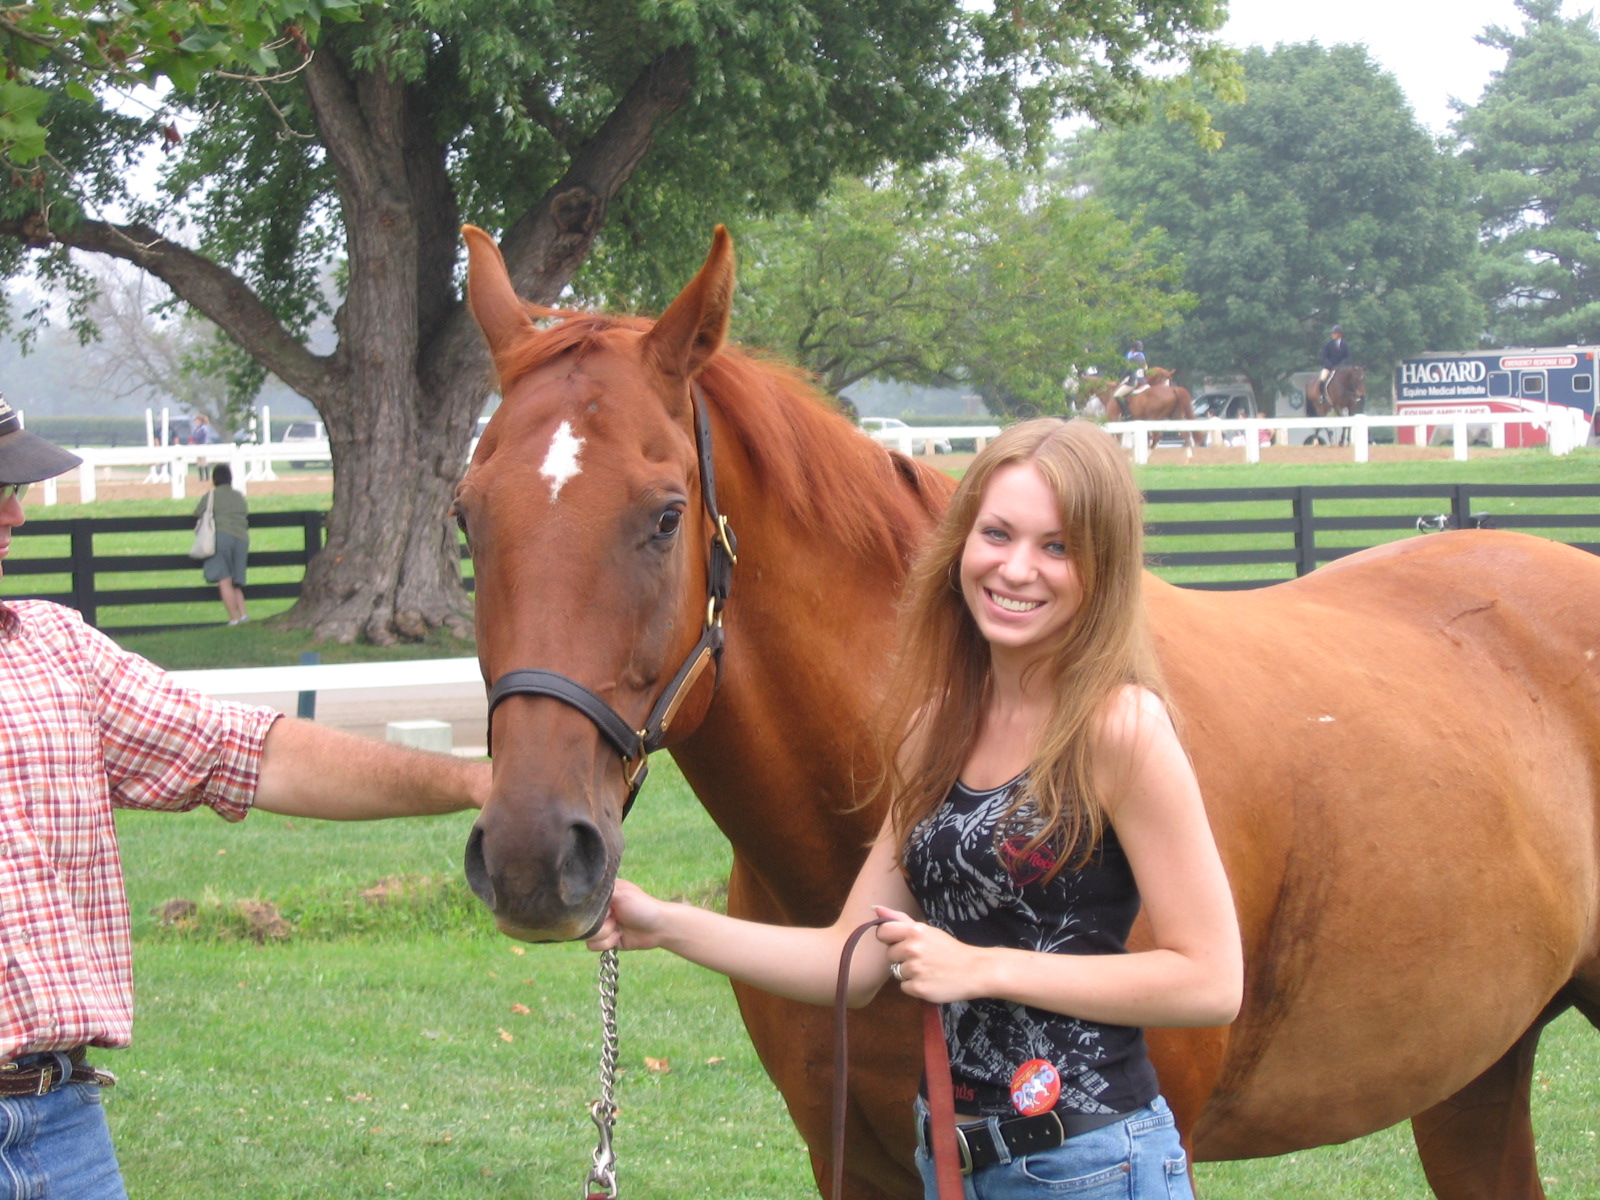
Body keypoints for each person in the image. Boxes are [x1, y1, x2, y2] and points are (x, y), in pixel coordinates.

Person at [587, 418, 1243, 1199]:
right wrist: (662, 923)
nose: (1018, 568)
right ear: (961, 544)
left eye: (1057, 546)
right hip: (953, 1165)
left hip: (1090, 1164)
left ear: (1101, 570)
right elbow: (856, 960)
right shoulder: (938, 726)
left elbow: (1209, 980)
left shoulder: (1119, 727)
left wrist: (983, 968)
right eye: (997, 534)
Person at [0, 398, 490, 1200]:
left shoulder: (56, 653)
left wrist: (476, 782)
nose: (17, 511)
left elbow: (249, 751)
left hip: (60, 1128)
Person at [196, 463, 250, 625]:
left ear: (214, 479)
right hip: (241, 539)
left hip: (220, 538)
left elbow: (197, 512)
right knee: (236, 580)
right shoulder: (239, 496)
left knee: (224, 579)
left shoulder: (211, 496)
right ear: (230, 478)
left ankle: (233, 618)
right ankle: (243, 615)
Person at [1110, 341, 1147, 419]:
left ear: (1133, 349)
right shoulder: (1143, 359)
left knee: (1117, 395)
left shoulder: (1132, 359)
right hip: (1142, 381)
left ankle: (1127, 413)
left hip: (1134, 381)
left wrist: (1119, 379)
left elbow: (1127, 371)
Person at [188, 412, 221, 480]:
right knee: (199, 461)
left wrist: (194, 438)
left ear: (200, 421)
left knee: (203, 461)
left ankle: (207, 477)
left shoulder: (203, 428)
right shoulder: (196, 428)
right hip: (197, 445)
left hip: (202, 445)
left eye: (196, 420)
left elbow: (199, 436)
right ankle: (201, 477)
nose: (195, 422)